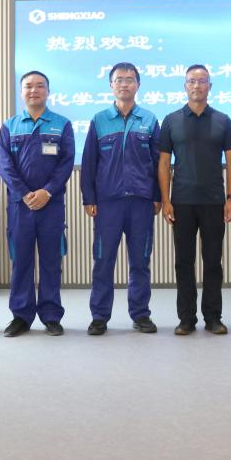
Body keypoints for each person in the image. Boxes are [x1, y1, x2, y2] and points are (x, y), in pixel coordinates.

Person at [158, 64, 231, 335]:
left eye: (202, 81)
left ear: (210, 86)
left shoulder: (223, 120)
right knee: (184, 262)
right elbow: (163, 163)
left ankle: (213, 317)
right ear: (185, 86)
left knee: (213, 261)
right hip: (181, 201)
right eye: (192, 81)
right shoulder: (171, 120)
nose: (197, 86)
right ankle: (186, 319)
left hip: (214, 201)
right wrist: (166, 200)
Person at [80, 62, 161, 335]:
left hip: (141, 202)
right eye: (119, 79)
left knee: (140, 261)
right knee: (103, 261)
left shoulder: (149, 120)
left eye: (129, 79)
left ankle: (141, 314)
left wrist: (158, 196)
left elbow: (158, 162)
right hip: (108, 203)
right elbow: (89, 162)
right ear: (111, 85)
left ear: (138, 85)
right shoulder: (99, 120)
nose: (124, 84)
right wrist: (89, 197)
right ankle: (99, 316)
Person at [0, 71, 75, 337]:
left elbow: (66, 162)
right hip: (20, 207)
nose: (34, 90)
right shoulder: (9, 126)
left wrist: (47, 192)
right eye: (28, 86)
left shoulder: (62, 124)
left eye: (40, 86)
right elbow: (5, 165)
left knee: (52, 261)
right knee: (21, 261)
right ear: (21, 92)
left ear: (48, 91)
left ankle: (51, 315)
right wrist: (24, 194)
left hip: (51, 205)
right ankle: (21, 316)